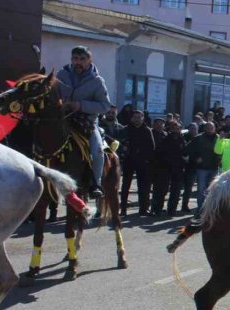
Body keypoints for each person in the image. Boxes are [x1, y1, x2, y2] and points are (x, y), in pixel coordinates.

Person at [56, 46, 111, 198]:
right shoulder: (61, 75)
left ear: (89, 60)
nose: (78, 62)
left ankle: (96, 183)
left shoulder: (97, 81)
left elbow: (105, 106)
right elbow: (52, 94)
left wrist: (80, 105)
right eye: (75, 59)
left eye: (82, 59)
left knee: (97, 151)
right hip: (63, 121)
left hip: (86, 123)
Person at [119, 110, 156, 216]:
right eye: (135, 117)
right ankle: (123, 209)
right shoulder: (125, 129)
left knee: (143, 187)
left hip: (142, 162)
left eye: (139, 117)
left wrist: (147, 159)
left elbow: (151, 147)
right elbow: (120, 144)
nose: (137, 119)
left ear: (143, 118)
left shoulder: (147, 130)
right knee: (125, 186)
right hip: (128, 161)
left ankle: (143, 209)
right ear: (132, 118)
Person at [151, 120, 187, 216]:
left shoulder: (182, 139)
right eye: (174, 128)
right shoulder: (165, 138)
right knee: (162, 190)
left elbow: (185, 152)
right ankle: (157, 209)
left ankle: (172, 210)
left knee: (176, 190)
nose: (176, 130)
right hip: (165, 168)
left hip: (178, 168)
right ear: (170, 129)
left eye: (178, 128)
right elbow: (158, 152)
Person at [185, 122, 221, 211]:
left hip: (214, 168)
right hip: (202, 168)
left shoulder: (219, 138)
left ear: (214, 128)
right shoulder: (198, 138)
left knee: (212, 190)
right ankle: (200, 209)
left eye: (211, 127)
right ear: (205, 128)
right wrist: (196, 158)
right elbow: (188, 149)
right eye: (208, 127)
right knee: (201, 190)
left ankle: (209, 209)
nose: (210, 129)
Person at [180, 123, 199, 212]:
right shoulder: (183, 137)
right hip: (183, 166)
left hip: (195, 166)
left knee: (189, 187)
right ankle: (179, 205)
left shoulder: (200, 138)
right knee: (182, 187)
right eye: (191, 128)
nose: (193, 130)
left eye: (194, 128)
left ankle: (185, 205)